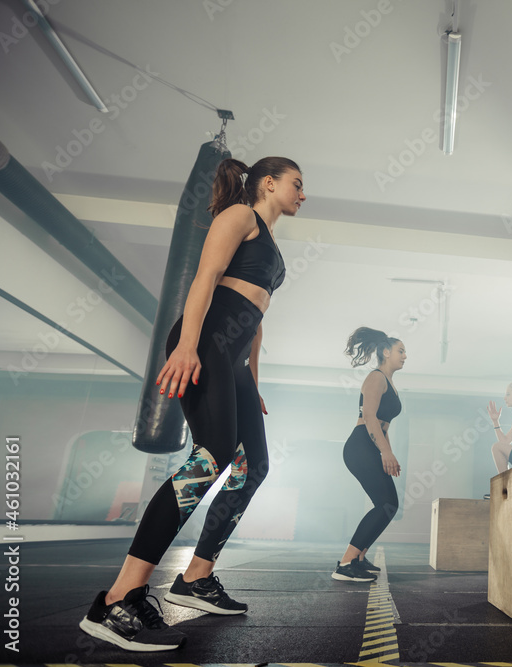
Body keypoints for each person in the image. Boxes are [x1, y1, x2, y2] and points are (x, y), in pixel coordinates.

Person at [79, 157, 305, 651]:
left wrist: (252, 381)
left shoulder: (269, 241)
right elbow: (204, 279)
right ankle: (118, 597)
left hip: (233, 357)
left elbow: (257, 320)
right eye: (296, 184)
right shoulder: (240, 216)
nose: (302, 195)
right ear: (268, 183)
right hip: (203, 342)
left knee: (254, 466)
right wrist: (187, 346)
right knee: (212, 457)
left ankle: (196, 577)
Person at [333, 327, 406, 583]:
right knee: (388, 504)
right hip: (361, 445)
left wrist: (389, 452)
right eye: (401, 350)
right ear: (386, 352)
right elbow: (370, 417)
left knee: (385, 505)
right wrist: (385, 451)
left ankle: (359, 559)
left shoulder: (390, 382)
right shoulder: (376, 378)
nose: (405, 356)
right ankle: (346, 563)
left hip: (371, 444)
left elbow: (384, 424)